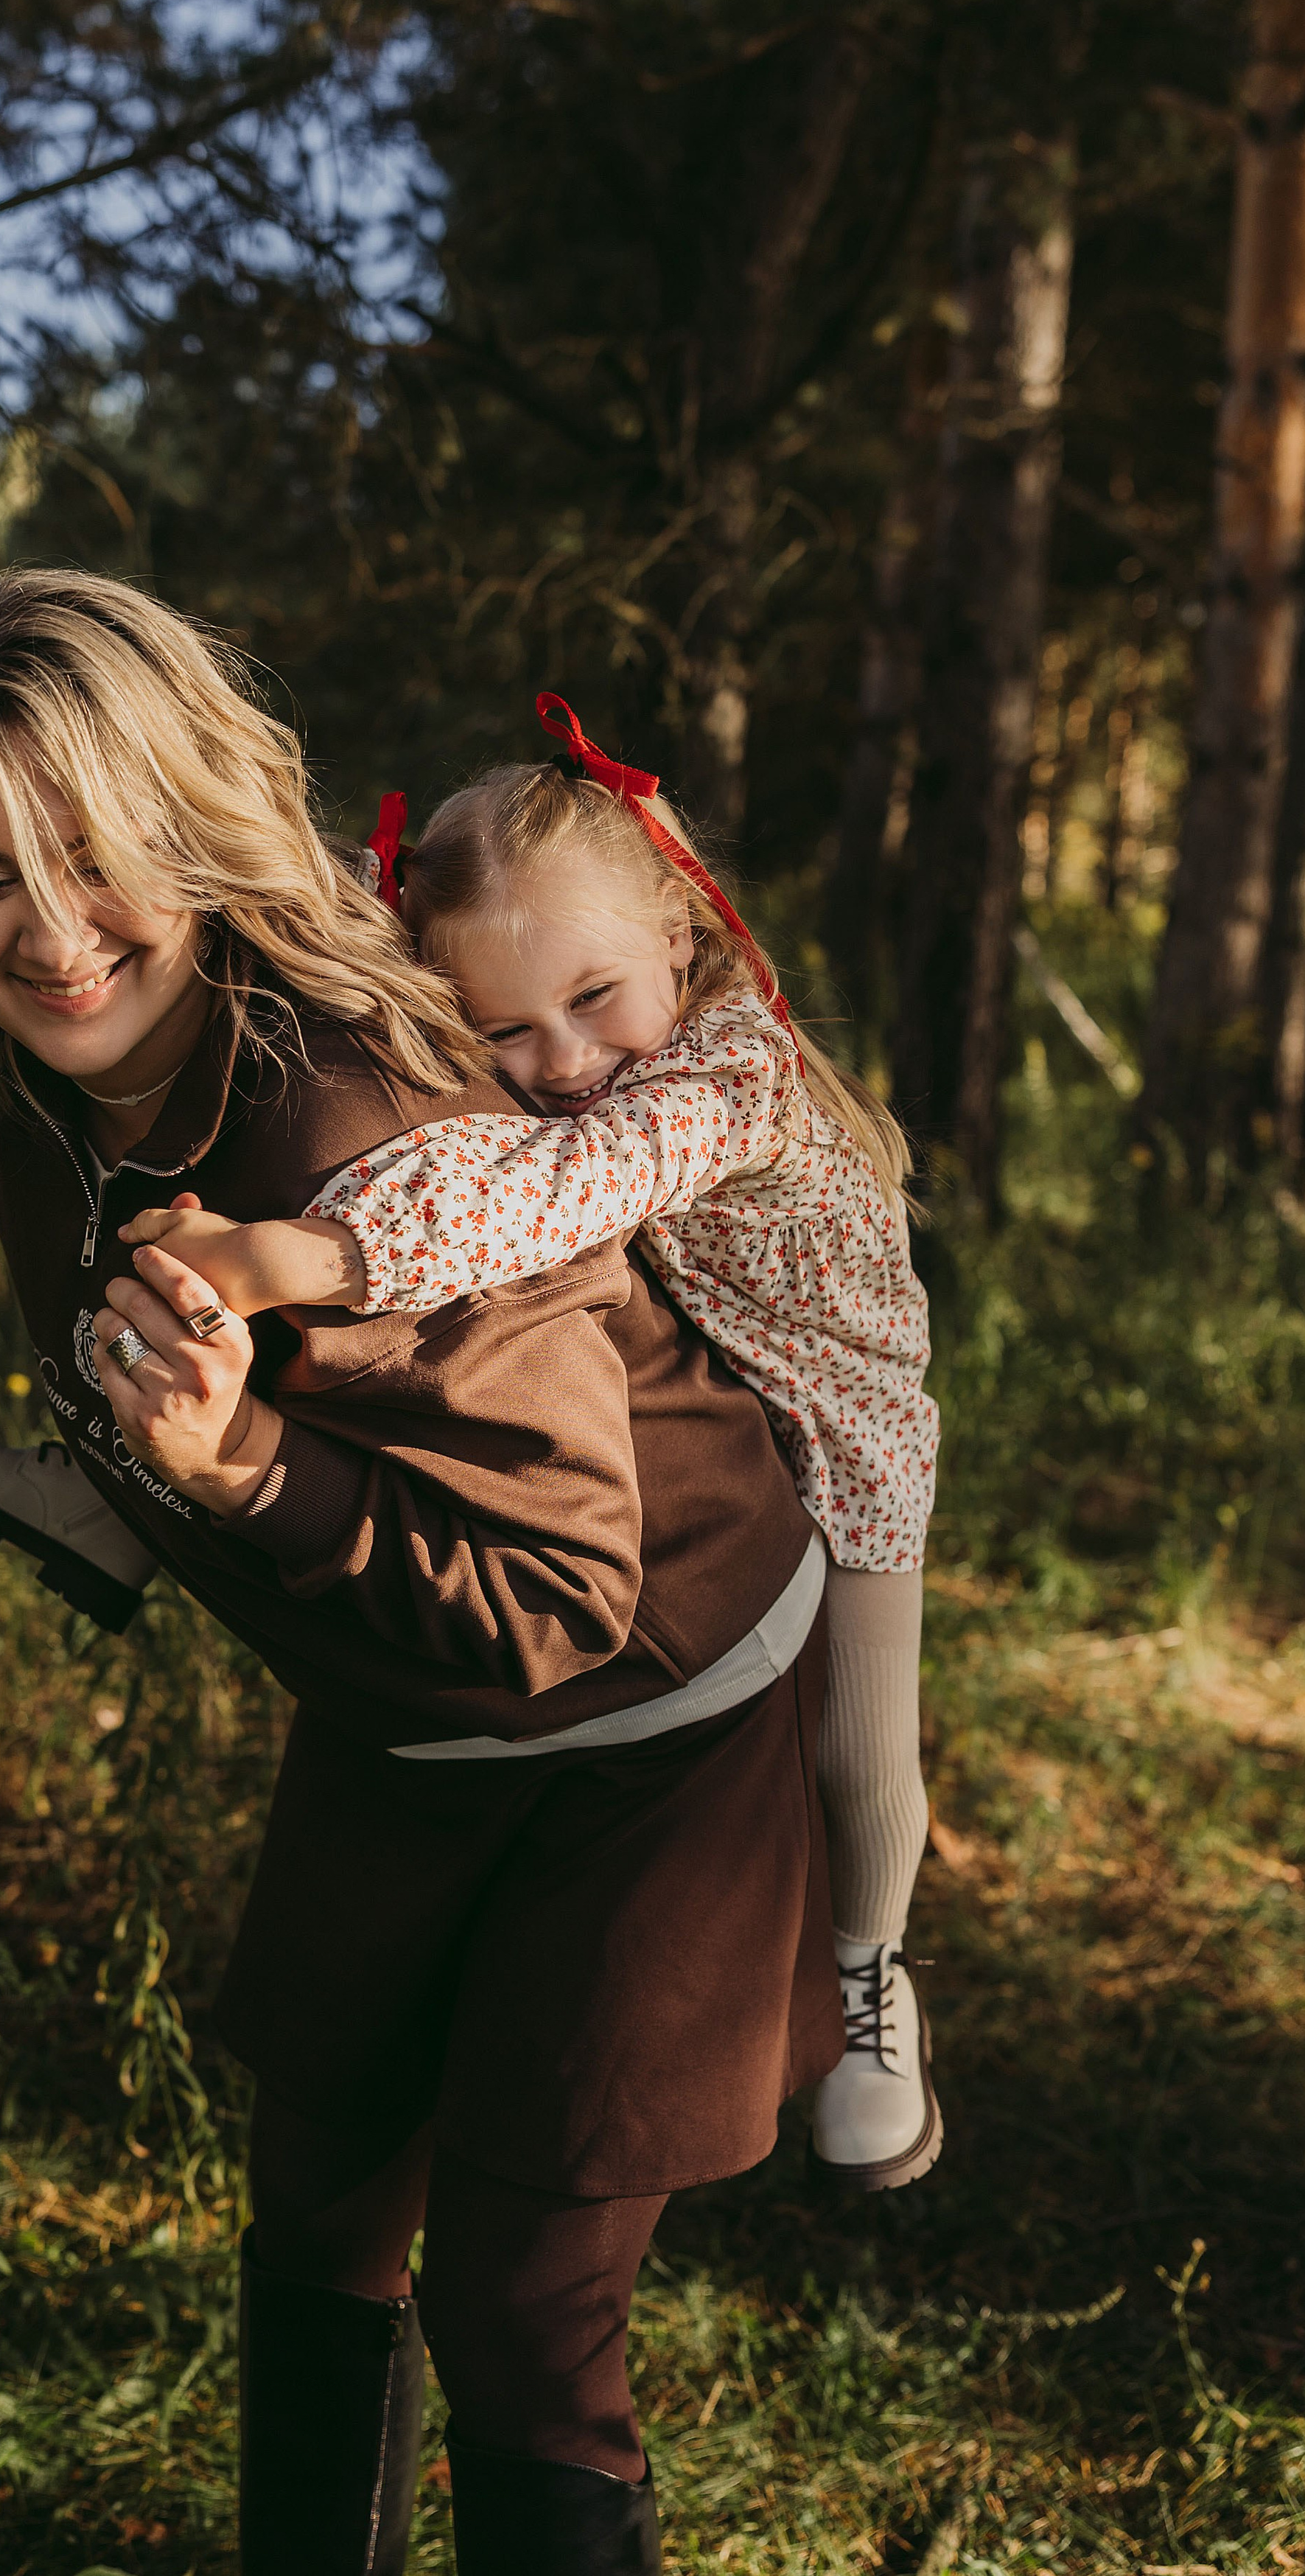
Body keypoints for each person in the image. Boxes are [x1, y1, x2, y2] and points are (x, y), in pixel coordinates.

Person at [0, 568, 844, 2576]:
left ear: (188, 826)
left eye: (94, 856)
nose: (53, 933)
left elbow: (565, 1594)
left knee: (520, 2304)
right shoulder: (24, 1076)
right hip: (404, 1707)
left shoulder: (363, 1121)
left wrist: (246, 1481)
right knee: (320, 2211)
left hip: (656, 1714)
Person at [126, 699, 942, 2193]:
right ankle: (106, 1488)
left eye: (592, 998)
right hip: (706, 1390)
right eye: (498, 1027)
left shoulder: (721, 1078)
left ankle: (869, 1977)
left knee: (855, 1735)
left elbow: (563, 1185)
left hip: (842, 1419)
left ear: (679, 950)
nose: (560, 1057)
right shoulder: (569, 1069)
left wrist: (291, 1260)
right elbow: (479, 1155)